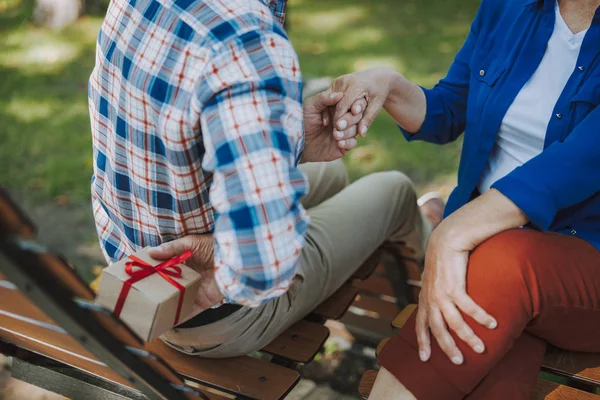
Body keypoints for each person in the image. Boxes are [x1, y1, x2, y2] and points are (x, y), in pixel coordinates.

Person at [88, 0, 440, 358]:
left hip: (132, 275)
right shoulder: (245, 39)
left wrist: (291, 135)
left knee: (332, 172)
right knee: (394, 190)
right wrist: (224, 266)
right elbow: (262, 264)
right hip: (203, 316)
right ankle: (434, 248)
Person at [327, 0, 600, 398]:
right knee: (489, 361)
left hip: (578, 256)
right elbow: (451, 108)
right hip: (488, 259)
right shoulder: (506, 7)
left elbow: (582, 159)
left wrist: (454, 231)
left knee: (500, 263)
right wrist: (388, 84)